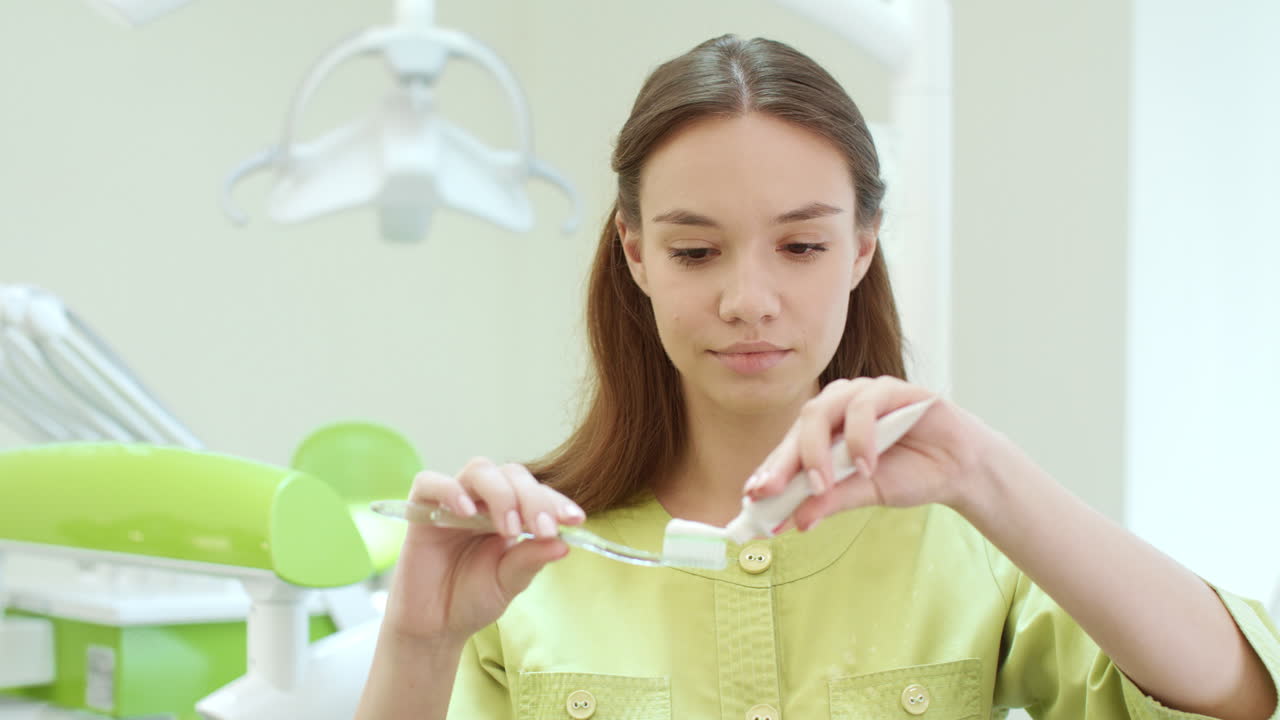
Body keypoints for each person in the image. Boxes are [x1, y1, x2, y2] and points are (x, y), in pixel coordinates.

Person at [356, 35, 1280, 720]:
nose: (749, 299)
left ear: (861, 248)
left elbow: (1239, 696)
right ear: (637, 254)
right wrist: (418, 643)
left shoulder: (964, 546)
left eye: (800, 245)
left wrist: (982, 471)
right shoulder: (524, 568)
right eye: (696, 250)